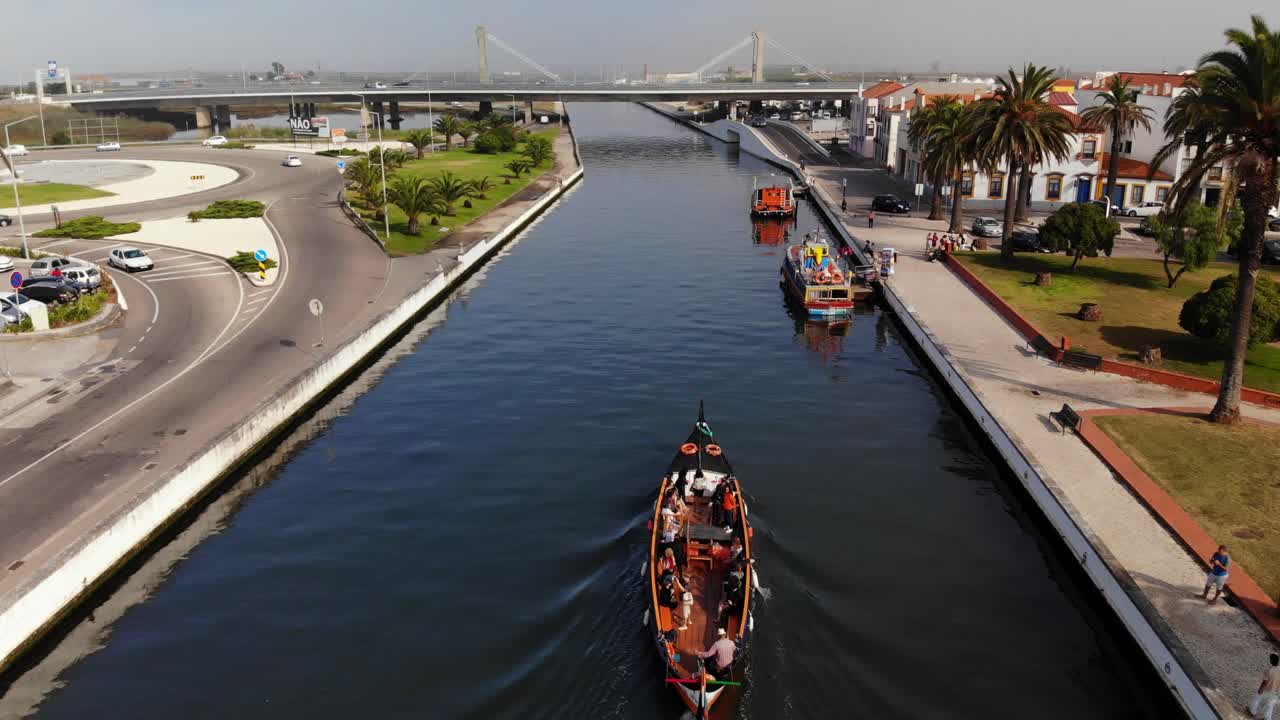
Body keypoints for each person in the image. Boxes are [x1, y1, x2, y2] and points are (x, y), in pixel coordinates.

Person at [1251, 654, 1280, 720]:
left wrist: (1260, 690)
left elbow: (1264, 683)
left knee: (1256, 698)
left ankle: (1252, 711)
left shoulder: (1268, 670)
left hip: (1267, 690)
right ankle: (1267, 718)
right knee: (1270, 706)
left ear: (1271, 661)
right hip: (1275, 692)